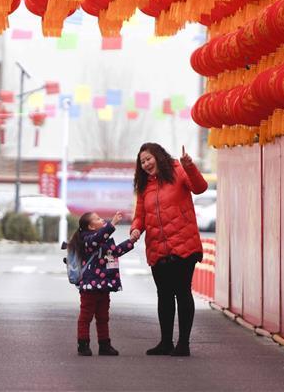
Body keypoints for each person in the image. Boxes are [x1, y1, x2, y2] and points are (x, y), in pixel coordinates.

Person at [130, 143, 208, 357]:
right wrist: (136, 229)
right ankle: (165, 342)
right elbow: (140, 215)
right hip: (157, 247)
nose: (146, 164)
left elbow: (200, 187)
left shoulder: (178, 170)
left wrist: (190, 166)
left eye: (148, 159)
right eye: (142, 162)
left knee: (182, 292)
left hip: (184, 244)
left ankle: (183, 344)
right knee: (164, 295)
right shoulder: (145, 185)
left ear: (158, 156)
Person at [70, 210, 137, 356]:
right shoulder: (87, 239)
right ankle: (83, 344)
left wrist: (131, 241)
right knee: (86, 316)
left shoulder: (104, 240)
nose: (102, 220)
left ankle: (104, 345)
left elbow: (115, 252)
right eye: (98, 219)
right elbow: (97, 239)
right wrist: (112, 224)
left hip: (104, 285)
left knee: (103, 317)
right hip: (90, 286)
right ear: (91, 227)